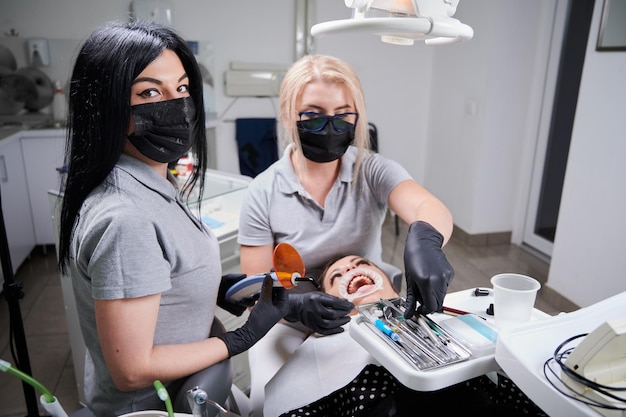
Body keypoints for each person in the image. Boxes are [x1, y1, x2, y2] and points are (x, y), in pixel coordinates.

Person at [56, 20, 290, 416]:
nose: (176, 104)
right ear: (106, 105)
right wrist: (243, 337)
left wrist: (206, 288)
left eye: (181, 88)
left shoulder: (149, 181)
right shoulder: (126, 218)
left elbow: (154, 276)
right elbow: (132, 370)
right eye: (149, 91)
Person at [237, 54, 455, 415]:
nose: (330, 125)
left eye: (343, 114)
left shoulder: (371, 170)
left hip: (371, 306)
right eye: (313, 114)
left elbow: (428, 208)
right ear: (289, 115)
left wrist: (426, 239)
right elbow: (254, 283)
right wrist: (293, 303)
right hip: (294, 315)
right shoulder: (264, 192)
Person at [264, 255, 548, 417]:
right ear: (324, 302)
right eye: (337, 276)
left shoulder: (441, 317)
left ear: (393, 287)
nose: (350, 268)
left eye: (360, 262)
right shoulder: (321, 346)